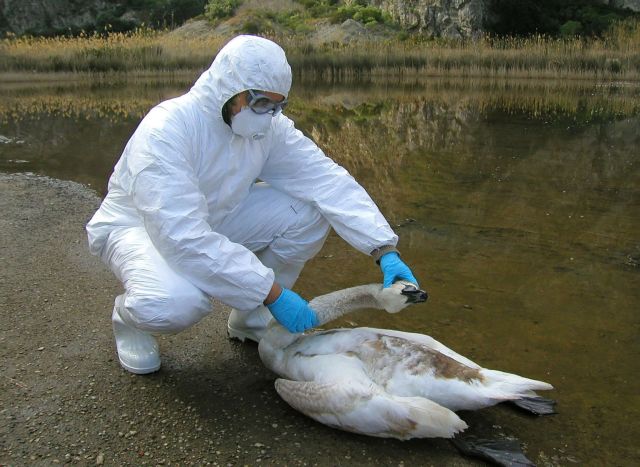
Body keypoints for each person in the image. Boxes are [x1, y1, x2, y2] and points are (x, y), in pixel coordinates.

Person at [86, 35, 418, 375]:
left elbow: (325, 180)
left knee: (309, 210)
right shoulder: (167, 129)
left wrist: (383, 248)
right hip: (139, 228)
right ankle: (129, 318)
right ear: (231, 89)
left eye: (278, 106)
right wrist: (272, 292)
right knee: (175, 304)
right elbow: (180, 235)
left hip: (214, 219)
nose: (269, 115)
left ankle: (251, 320)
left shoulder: (267, 128)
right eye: (261, 103)